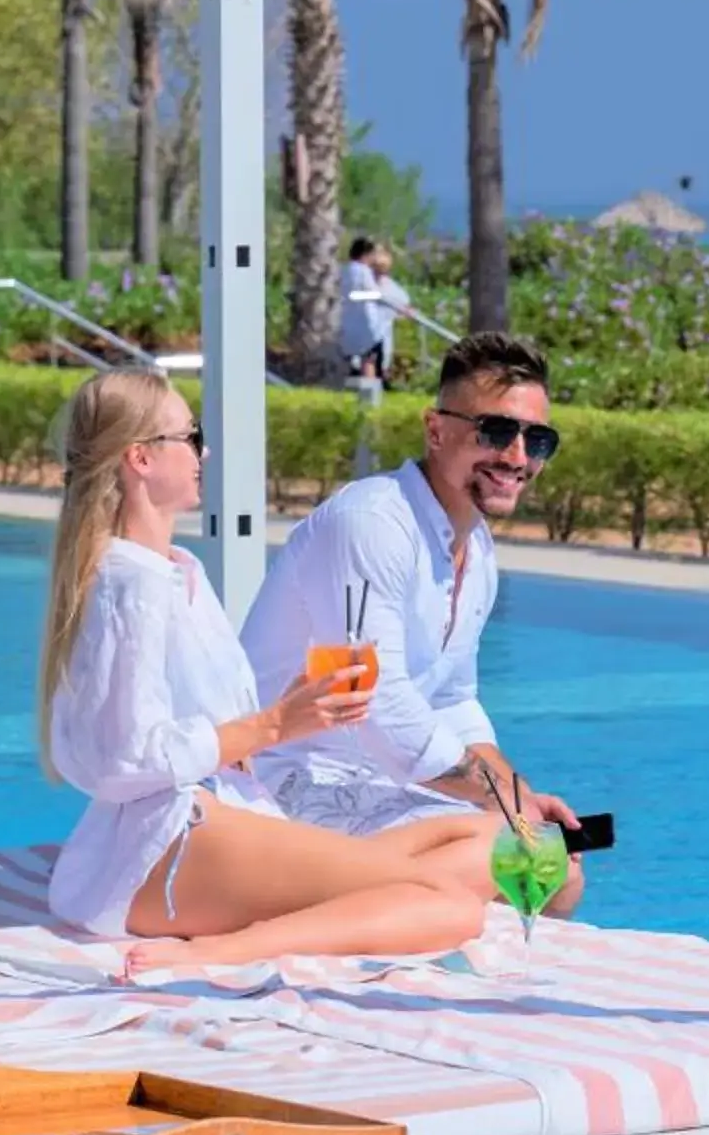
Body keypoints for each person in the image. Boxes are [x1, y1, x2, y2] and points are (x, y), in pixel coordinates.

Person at [36, 367, 496, 975]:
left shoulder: (176, 570)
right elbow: (125, 758)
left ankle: (345, 901)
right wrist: (276, 725)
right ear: (141, 459)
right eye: (190, 436)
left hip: (225, 814)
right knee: (454, 908)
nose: (205, 451)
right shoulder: (133, 584)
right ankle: (227, 950)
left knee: (493, 841)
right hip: (163, 845)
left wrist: (294, 717)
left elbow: (191, 725)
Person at [240, 331, 588, 914]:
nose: (518, 457)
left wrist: (520, 795)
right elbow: (375, 702)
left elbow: (453, 698)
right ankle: (296, 910)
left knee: (556, 870)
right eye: (497, 432)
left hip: (383, 783)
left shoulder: (474, 547)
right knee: (512, 859)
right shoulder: (371, 523)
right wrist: (500, 801)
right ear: (435, 429)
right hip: (290, 777)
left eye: (539, 439)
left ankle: (389, 910)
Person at [336, 238, 413, 382]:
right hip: (366, 325)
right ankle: (369, 391)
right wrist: (387, 300)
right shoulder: (362, 271)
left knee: (356, 358)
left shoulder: (343, 270)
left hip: (348, 323)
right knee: (369, 358)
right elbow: (371, 292)